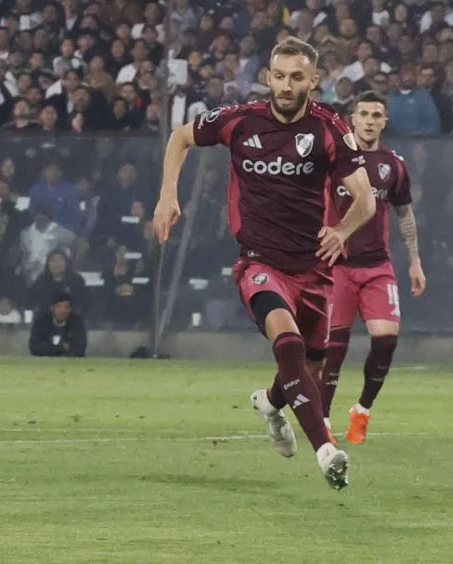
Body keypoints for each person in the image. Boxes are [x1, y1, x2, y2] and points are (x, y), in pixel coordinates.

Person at [152, 37, 376, 490]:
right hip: (259, 263)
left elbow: (366, 199)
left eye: (297, 77)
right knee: (288, 345)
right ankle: (327, 451)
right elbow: (180, 138)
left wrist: (342, 231)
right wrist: (167, 195)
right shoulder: (240, 121)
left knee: (305, 372)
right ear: (268, 76)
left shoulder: (329, 129)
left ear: (313, 80)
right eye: (279, 75)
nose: (286, 85)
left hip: (312, 271)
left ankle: (271, 404)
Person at [320, 91, 426, 445]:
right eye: (363, 113)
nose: (368, 120)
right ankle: (321, 419)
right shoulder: (333, 159)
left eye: (376, 115)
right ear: (351, 118)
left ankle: (362, 411)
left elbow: (404, 213)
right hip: (336, 267)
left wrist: (414, 261)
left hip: (377, 266)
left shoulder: (393, 164)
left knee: (386, 339)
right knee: (334, 348)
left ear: (384, 121)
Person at [29, 292, 87, 357]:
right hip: (44, 364)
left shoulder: (77, 323)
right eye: (58, 306)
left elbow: (80, 349)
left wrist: (48, 347)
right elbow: (34, 348)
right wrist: (61, 348)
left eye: (66, 307)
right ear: (52, 308)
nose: (62, 310)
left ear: (70, 309)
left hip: (69, 364)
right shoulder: (40, 322)